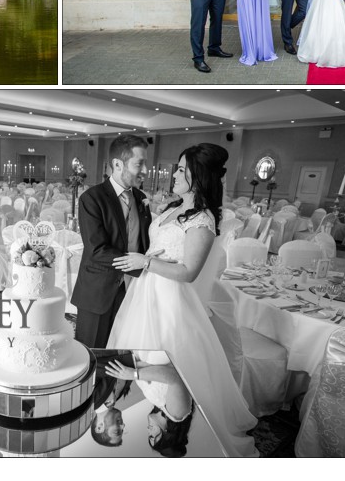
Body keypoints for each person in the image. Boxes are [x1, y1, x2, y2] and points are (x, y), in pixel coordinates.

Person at [106, 144, 257, 457]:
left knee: (167, 359)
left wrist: (145, 262)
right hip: (150, 293)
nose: (173, 174)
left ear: (197, 177)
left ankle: (177, 408)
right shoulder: (176, 206)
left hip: (171, 301)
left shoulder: (202, 220)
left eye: (181, 170)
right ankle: (161, 400)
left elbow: (188, 271)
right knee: (147, 353)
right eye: (176, 168)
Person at [70, 133, 151, 370]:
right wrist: (140, 264)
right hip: (98, 292)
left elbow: (142, 241)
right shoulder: (92, 198)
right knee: (91, 357)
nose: (145, 170)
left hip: (133, 291)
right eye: (139, 164)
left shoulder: (141, 198)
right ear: (117, 164)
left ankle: (111, 401)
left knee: (121, 352)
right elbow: (97, 250)